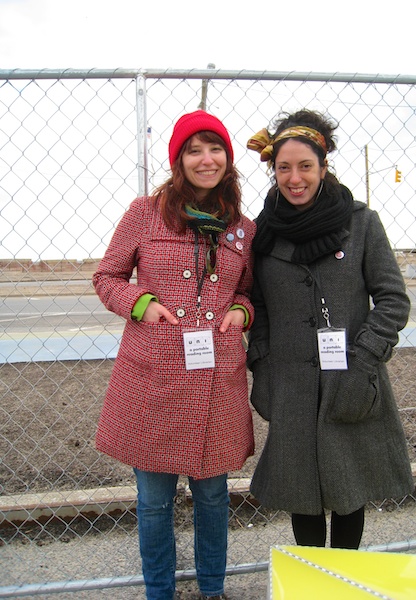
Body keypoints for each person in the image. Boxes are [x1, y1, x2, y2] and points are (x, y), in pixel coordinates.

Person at [93, 110, 256, 600]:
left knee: (212, 497)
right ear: (178, 159)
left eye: (215, 150)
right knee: (153, 501)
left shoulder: (242, 228)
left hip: (216, 376)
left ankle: (211, 591)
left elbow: (249, 293)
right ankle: (159, 592)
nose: (206, 160)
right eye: (194, 150)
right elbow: (107, 278)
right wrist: (141, 305)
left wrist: (241, 315)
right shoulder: (146, 212)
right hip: (153, 378)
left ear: (227, 159)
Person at [246, 109, 414, 550]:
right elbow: (256, 305)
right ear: (273, 169)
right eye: (284, 167)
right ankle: (313, 583)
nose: (294, 178)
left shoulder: (360, 223)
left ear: (324, 167)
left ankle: (342, 580)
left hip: (351, 374)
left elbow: (393, 300)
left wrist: (365, 360)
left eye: (305, 166)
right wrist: (261, 365)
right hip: (290, 381)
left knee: (347, 485)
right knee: (300, 490)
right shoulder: (261, 232)